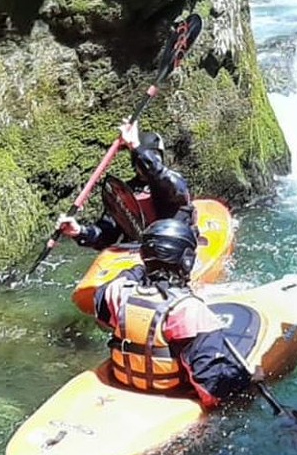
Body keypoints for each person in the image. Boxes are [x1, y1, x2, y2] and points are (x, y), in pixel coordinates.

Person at [91, 216, 255, 406]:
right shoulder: (189, 310)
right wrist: (245, 381)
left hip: (121, 383)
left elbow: (102, 310)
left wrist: (146, 268)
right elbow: (212, 384)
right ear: (186, 261)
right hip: (170, 394)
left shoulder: (117, 292)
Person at [57, 120, 193, 250]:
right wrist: (80, 232)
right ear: (134, 162)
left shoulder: (172, 182)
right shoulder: (123, 192)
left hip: (174, 245)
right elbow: (106, 233)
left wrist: (136, 147)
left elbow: (165, 180)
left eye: (155, 156)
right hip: (138, 250)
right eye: (149, 156)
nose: (151, 160)